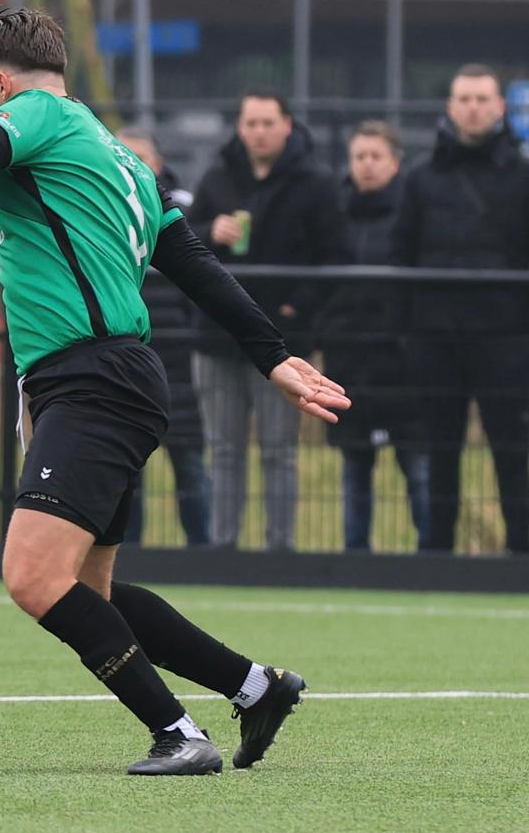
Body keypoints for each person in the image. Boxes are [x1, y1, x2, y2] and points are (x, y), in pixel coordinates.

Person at [0, 8, 346, 775]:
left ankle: (179, 733)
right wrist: (273, 357)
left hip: (92, 381)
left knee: (31, 575)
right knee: (90, 589)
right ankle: (255, 687)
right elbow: (199, 268)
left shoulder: (37, 116)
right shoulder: (120, 157)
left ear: (3, 79)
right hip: (115, 379)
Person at [187, 92, 351, 551]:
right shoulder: (218, 177)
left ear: (287, 125)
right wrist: (209, 232)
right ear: (240, 128)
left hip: (284, 343)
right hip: (215, 338)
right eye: (250, 123)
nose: (258, 132)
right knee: (223, 450)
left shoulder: (316, 183)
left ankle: (280, 549)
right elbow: (179, 239)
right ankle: (223, 548)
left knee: (280, 451)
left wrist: (297, 308)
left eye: (267, 122)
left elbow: (337, 258)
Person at [393, 64, 529, 554]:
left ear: (499, 107)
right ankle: (436, 553)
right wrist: (410, 329)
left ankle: (521, 555)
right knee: (439, 450)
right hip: (436, 338)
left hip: (506, 339)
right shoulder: (422, 179)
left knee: (512, 452)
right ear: (451, 107)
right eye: (464, 99)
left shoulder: (522, 176)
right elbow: (401, 253)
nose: (473, 107)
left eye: (482, 99)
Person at [317, 121, 430, 551]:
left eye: (375, 156)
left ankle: (430, 554)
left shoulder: (411, 213)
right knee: (354, 468)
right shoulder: (334, 213)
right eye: (359, 156)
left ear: (395, 163)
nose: (366, 165)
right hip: (349, 362)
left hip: (403, 364)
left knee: (417, 466)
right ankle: (354, 553)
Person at [114, 127, 211, 547]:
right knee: (124, 465)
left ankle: (203, 548)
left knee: (189, 459)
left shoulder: (184, 209)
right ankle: (126, 551)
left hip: (179, 355)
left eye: (140, 158)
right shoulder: (99, 207)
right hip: (125, 354)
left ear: (158, 164)